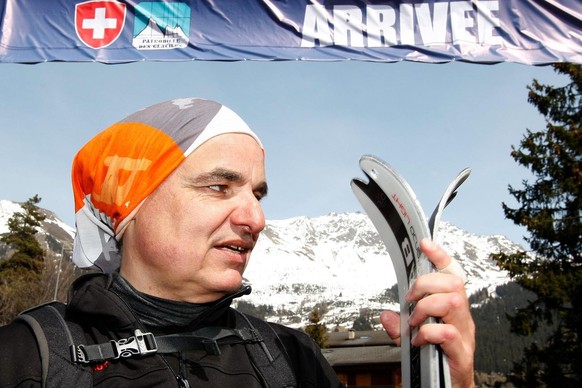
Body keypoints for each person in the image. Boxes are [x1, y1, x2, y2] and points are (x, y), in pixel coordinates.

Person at [0, 98, 474, 387]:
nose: (256, 219)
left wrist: (455, 382)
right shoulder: (31, 355)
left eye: (257, 193)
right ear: (132, 202)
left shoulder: (292, 358)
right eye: (218, 187)